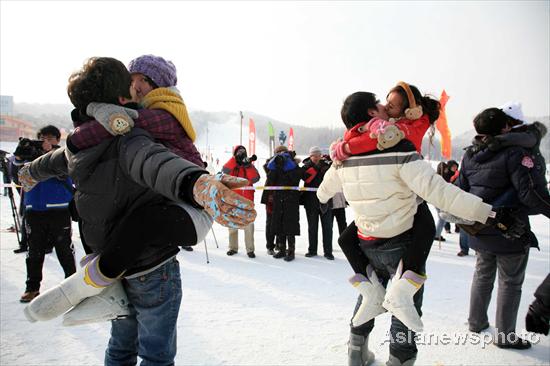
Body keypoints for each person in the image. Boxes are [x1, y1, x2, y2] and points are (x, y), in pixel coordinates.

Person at [19, 57, 256, 365]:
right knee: (156, 354)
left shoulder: (79, 144)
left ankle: (92, 281)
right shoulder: (127, 137)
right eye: (131, 84)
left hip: (112, 264)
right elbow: (154, 162)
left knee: (120, 347)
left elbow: (52, 162)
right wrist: (196, 183)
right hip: (150, 264)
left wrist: (29, 173)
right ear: (121, 99)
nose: (137, 88)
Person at [318, 91, 507, 366]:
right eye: (380, 104)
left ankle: (356, 352)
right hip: (402, 242)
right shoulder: (398, 149)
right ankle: (400, 359)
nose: (386, 107)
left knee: (371, 292)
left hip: (366, 240)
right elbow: (440, 192)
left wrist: (330, 192)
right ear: (372, 113)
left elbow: (324, 192)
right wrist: (486, 212)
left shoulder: (343, 156)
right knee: (404, 304)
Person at [329, 83, 442, 332]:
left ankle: (399, 289)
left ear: (409, 109)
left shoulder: (406, 127)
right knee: (349, 243)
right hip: (385, 217)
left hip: (406, 199)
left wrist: (346, 148)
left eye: (391, 105)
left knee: (426, 227)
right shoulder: (388, 126)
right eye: (385, 103)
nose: (387, 107)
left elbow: (369, 144)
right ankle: (371, 341)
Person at [454, 107, 550, 350]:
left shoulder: (470, 154)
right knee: (510, 282)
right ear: (505, 128)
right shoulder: (514, 153)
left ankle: (476, 322)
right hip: (509, 229)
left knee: (482, 274)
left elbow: (461, 189)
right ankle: (505, 336)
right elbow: (529, 193)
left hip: (479, 226)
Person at [18, 125, 76, 303]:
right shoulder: (30, 157)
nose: (47, 141)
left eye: (51, 138)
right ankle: (32, 287)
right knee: (34, 250)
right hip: (34, 208)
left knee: (64, 249)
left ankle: (72, 286)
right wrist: (22, 154)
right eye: (43, 138)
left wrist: (49, 156)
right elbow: (17, 174)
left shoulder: (64, 156)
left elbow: (72, 176)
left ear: (58, 140)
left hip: (59, 208)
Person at [222, 145, 260, 258]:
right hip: (233, 200)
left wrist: (248, 166)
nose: (242, 154)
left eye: (243, 152)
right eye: (239, 152)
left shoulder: (248, 165)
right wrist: (235, 160)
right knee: (232, 225)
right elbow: (224, 171)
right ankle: (233, 248)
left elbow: (255, 178)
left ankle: (250, 250)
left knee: (248, 225)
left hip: (247, 200)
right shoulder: (232, 165)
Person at [265, 148, 303, 261]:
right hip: (279, 198)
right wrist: (276, 166)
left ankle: (291, 251)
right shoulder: (277, 166)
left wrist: (290, 167)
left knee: (290, 224)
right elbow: (271, 180)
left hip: (291, 199)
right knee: (279, 223)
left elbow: (296, 179)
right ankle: (281, 249)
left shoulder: (294, 166)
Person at [302, 146, 334, 260]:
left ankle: (328, 251)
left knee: (328, 228)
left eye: (318, 155)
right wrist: (315, 168)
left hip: (326, 200)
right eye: (314, 156)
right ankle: (312, 250)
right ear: (310, 156)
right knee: (312, 227)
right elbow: (306, 179)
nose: (316, 157)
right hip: (310, 201)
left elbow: (332, 178)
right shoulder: (306, 166)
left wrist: (328, 164)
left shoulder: (326, 165)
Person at [260, 145, 288, 255]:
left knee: (281, 221)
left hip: (284, 196)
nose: (281, 154)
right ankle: (270, 245)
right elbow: (271, 177)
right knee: (270, 222)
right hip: (271, 197)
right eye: (279, 152)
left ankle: (280, 244)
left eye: (283, 152)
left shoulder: (288, 163)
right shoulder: (269, 163)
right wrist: (276, 163)